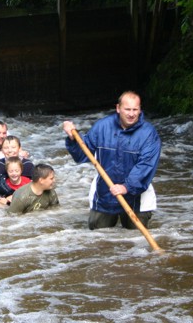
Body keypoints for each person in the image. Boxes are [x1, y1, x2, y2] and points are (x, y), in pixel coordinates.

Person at [62, 90, 161, 230]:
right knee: (99, 236)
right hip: (106, 193)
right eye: (127, 109)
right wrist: (73, 138)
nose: (131, 114)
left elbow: (146, 166)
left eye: (135, 109)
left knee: (135, 239)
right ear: (118, 108)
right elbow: (82, 155)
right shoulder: (102, 127)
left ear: (140, 110)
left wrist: (126, 187)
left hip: (137, 194)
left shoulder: (149, 134)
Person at [0, 136, 34, 201]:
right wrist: (0, 198)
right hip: (3, 199)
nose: (10, 150)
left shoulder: (28, 165)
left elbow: (36, 186)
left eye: (13, 147)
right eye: (6, 148)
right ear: (2, 150)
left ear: (19, 148)